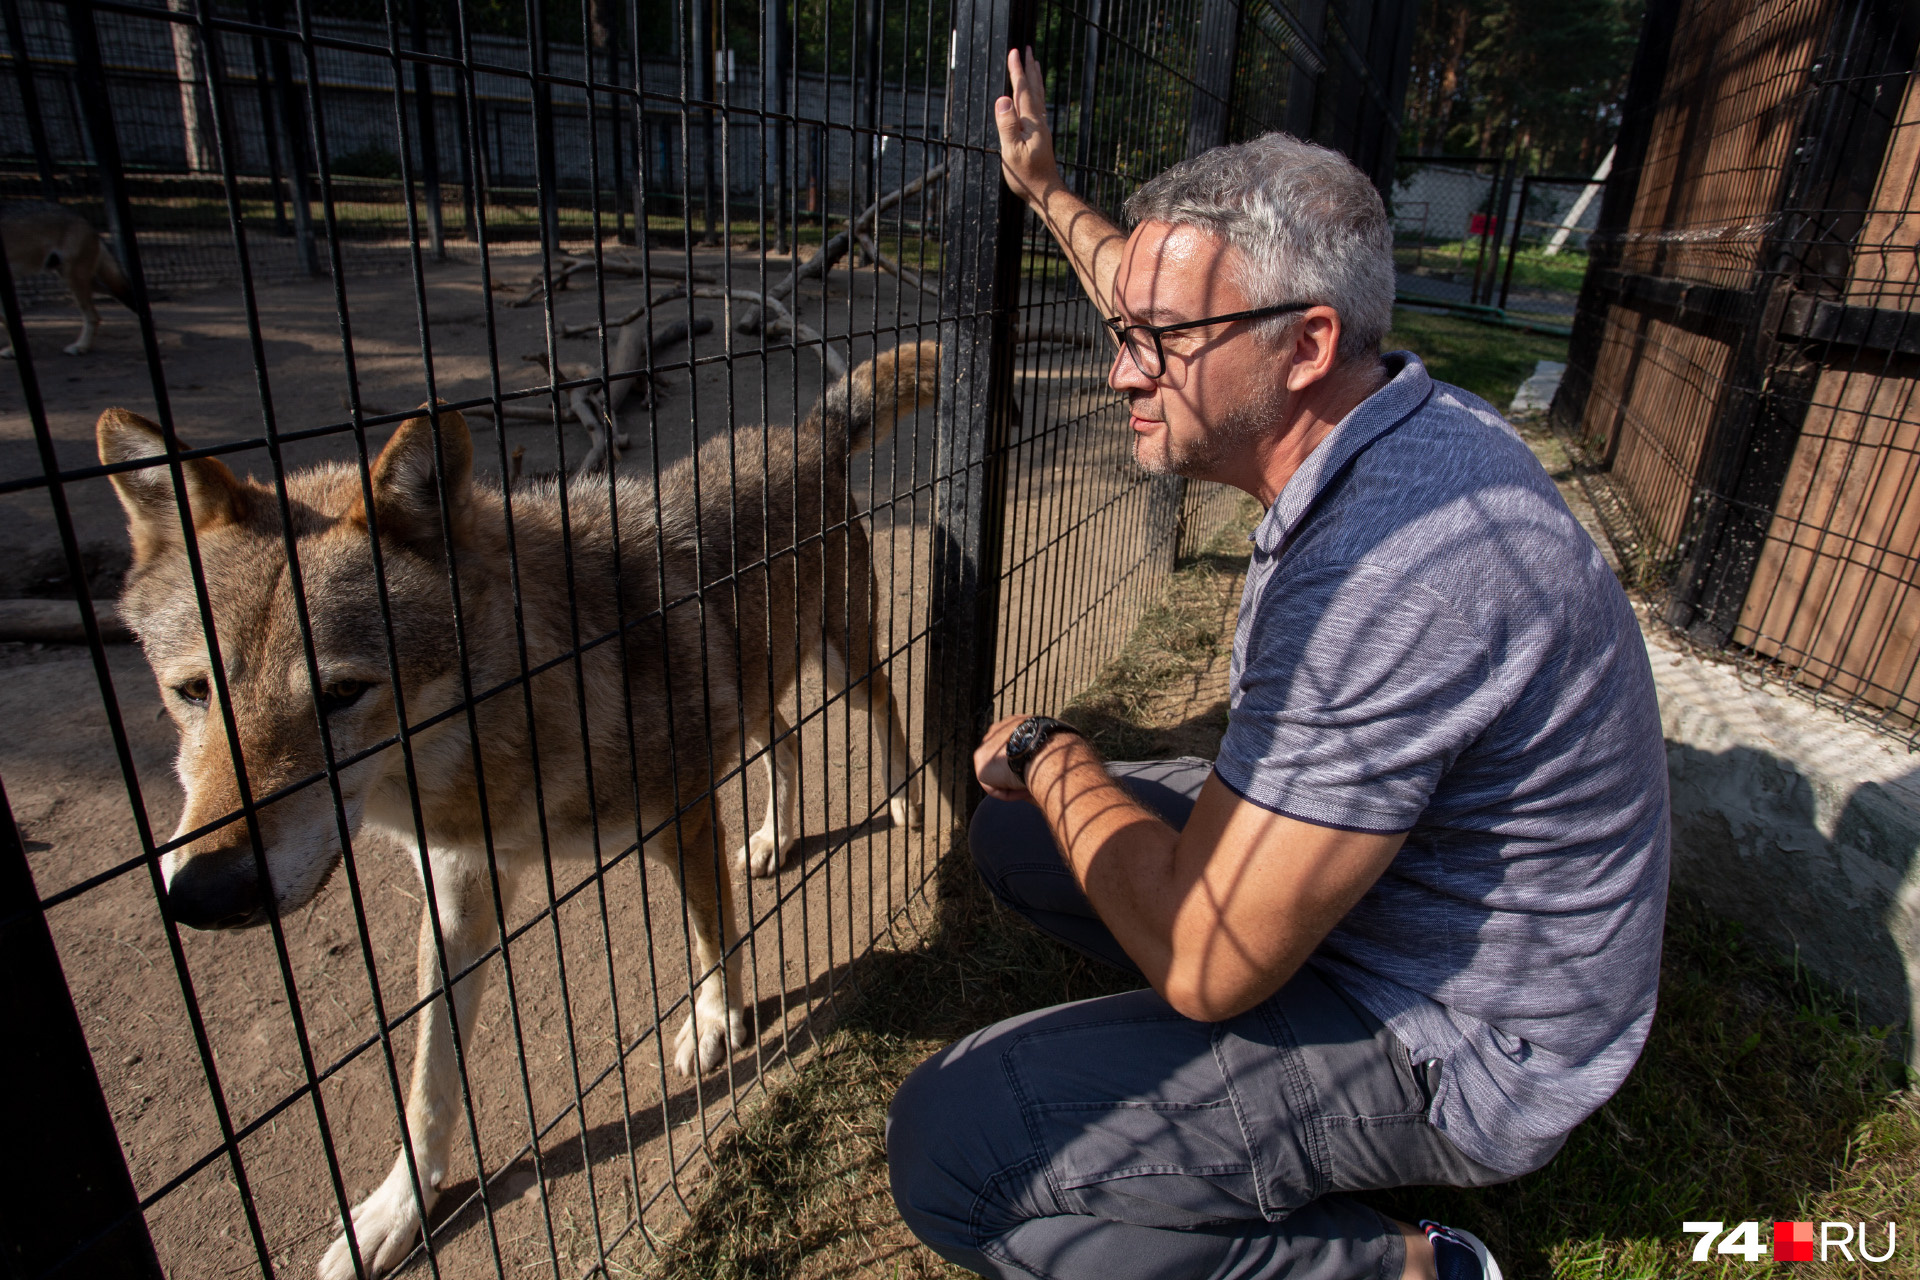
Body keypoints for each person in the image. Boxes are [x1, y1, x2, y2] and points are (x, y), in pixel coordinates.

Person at [884, 48, 1671, 1280]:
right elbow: (1159, 296)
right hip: (1406, 895)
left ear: (1305, 344)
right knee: (1016, 835)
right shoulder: (1383, 409)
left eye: (1154, 341)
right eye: (1124, 327)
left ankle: (1409, 1264)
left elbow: (1205, 958)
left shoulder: (1391, 575)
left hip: (1464, 1034)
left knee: (951, 1146)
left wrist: (1058, 749)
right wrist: (1043, 191)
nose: (1118, 367)